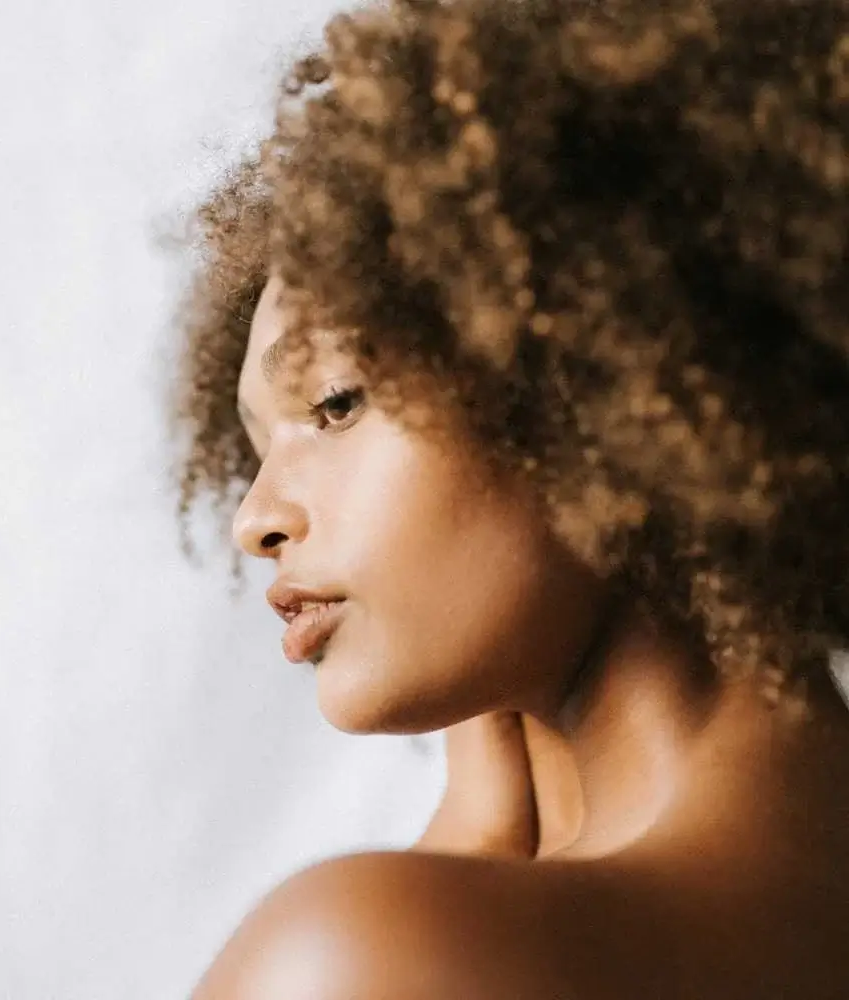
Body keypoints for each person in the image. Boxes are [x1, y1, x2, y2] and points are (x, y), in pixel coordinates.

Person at [167, 0, 849, 995]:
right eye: (256, 448)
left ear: (598, 377)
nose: (255, 518)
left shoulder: (364, 955)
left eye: (335, 403)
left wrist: (455, 861)